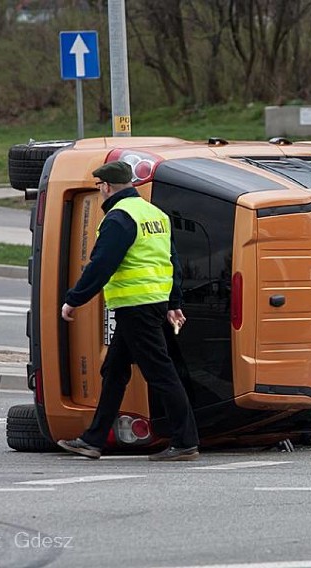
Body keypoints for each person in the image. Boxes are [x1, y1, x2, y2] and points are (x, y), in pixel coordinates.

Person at [57, 160, 200, 462]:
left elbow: (101, 265)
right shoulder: (155, 214)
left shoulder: (120, 218)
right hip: (150, 304)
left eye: (99, 188)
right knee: (114, 371)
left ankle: (185, 441)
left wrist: (74, 299)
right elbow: (171, 261)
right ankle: (93, 440)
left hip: (136, 306)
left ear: (106, 187)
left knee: (161, 373)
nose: (100, 193)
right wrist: (173, 303)